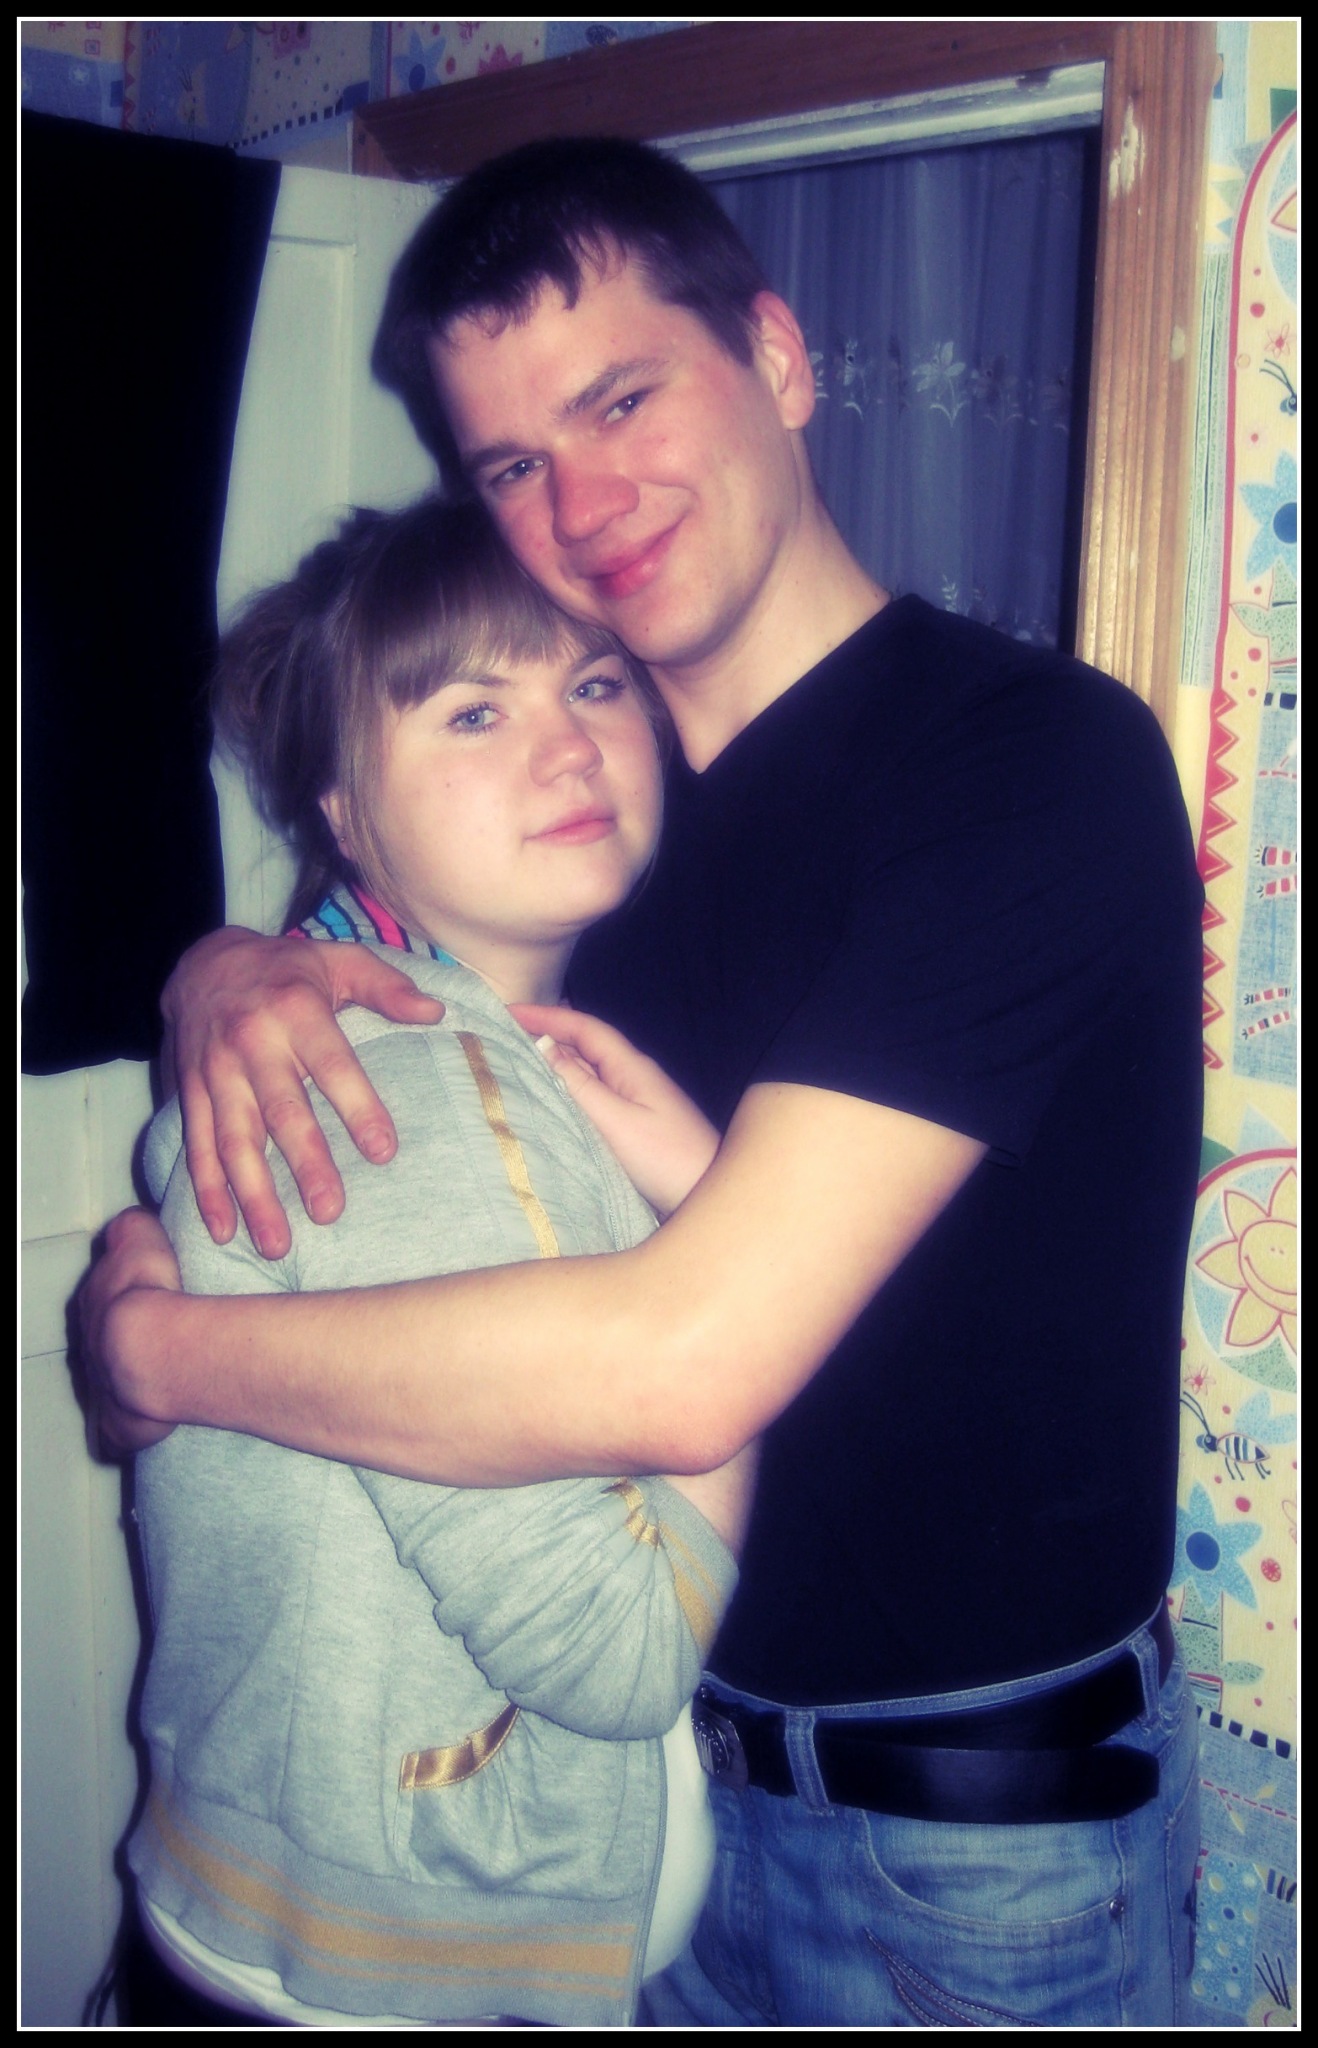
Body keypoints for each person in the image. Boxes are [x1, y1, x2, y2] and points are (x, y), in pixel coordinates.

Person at [82, 139, 1206, 2027]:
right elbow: (362, 1018)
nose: (581, 501)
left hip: (961, 1867)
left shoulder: (1027, 767)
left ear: (777, 356)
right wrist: (220, 969)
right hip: (624, 1824)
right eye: (511, 463)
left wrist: (161, 1355)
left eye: (620, 400)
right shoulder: (581, 823)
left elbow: (683, 1364)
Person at [117, 496, 753, 2028]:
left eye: (593, 682)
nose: (569, 746)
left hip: (272, 1918)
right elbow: (619, 1652)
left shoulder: (367, 1032)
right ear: (343, 810)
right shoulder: (413, 1085)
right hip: (400, 1976)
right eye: (473, 709)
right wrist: (718, 1242)